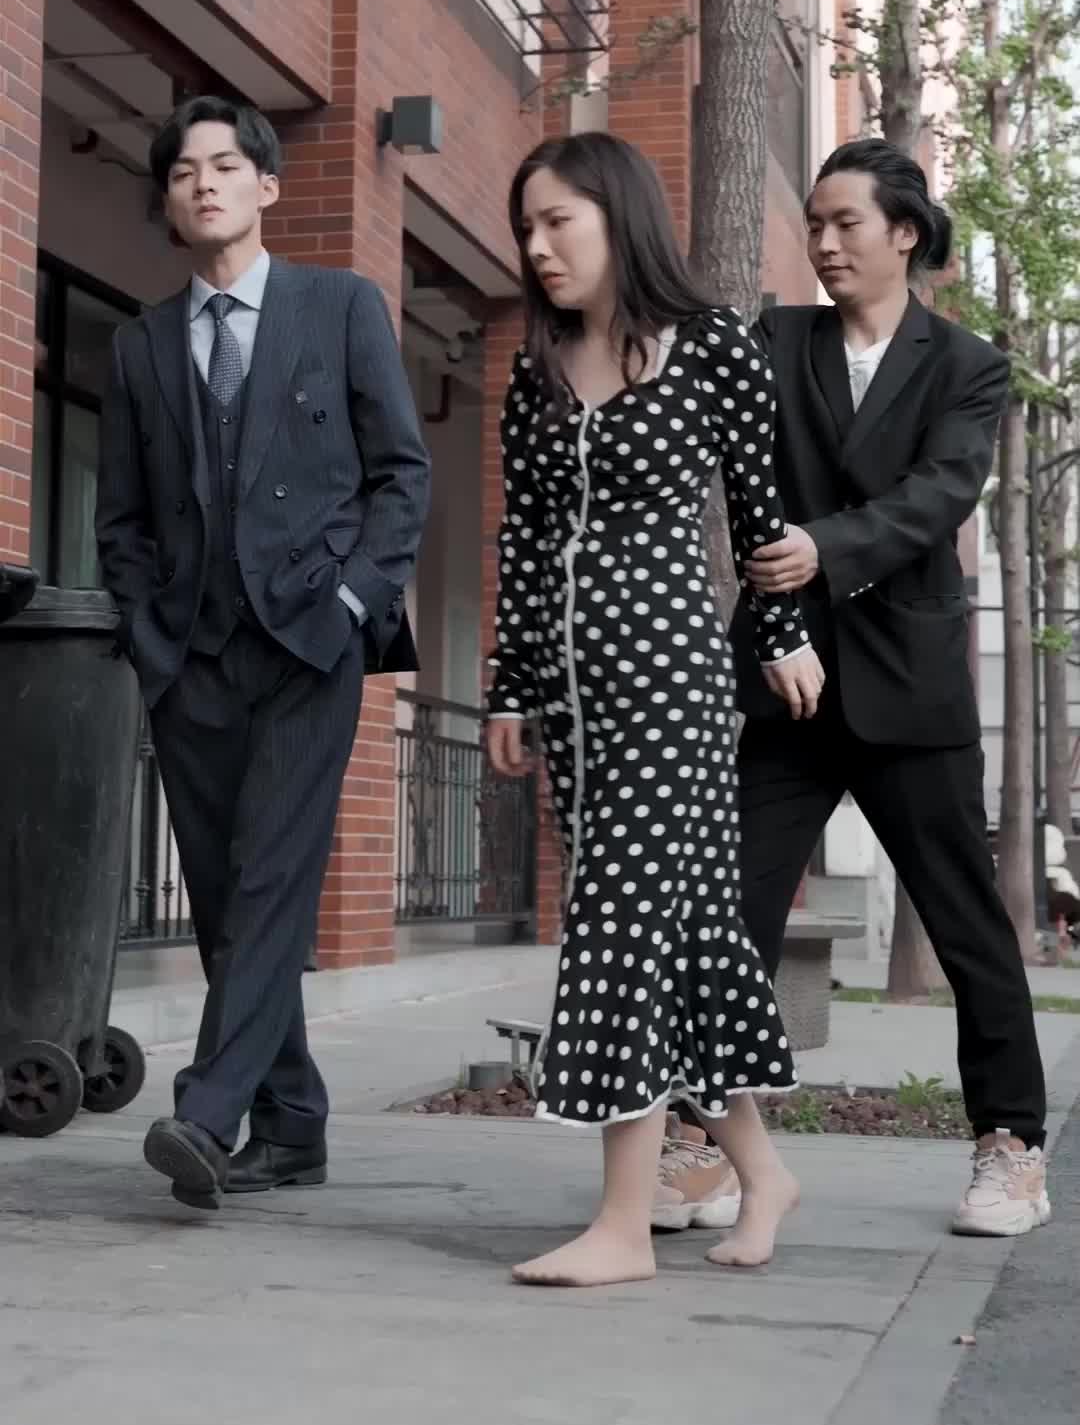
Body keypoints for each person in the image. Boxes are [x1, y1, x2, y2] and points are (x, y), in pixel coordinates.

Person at [656, 138, 1050, 1240]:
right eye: (816, 225)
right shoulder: (773, 340)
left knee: (969, 927)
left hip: (909, 689)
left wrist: (820, 548)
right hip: (780, 685)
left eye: (846, 224)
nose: (824, 243)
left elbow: (939, 495)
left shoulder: (967, 364)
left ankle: (1011, 1146)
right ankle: (705, 1142)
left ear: (904, 234)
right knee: (723, 918)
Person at [486, 132, 825, 1288]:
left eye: (558, 221)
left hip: (672, 681)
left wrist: (782, 638)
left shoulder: (713, 345)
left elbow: (761, 516)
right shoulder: (534, 371)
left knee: (619, 927)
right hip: (574, 699)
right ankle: (761, 1173)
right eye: (526, 228)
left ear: (618, 217)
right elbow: (523, 541)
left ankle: (624, 1225)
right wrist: (512, 685)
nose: (538, 247)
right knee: (681, 939)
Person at [96, 95, 430, 1209]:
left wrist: (351, 604)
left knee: (272, 877)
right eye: (184, 170)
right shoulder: (139, 345)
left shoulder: (340, 307)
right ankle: (293, 1127)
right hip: (191, 657)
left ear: (267, 187)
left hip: (309, 645)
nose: (205, 182)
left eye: (227, 165)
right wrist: (151, 638)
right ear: (168, 199)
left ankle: (206, 1112)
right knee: (225, 897)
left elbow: (402, 475)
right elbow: (122, 520)